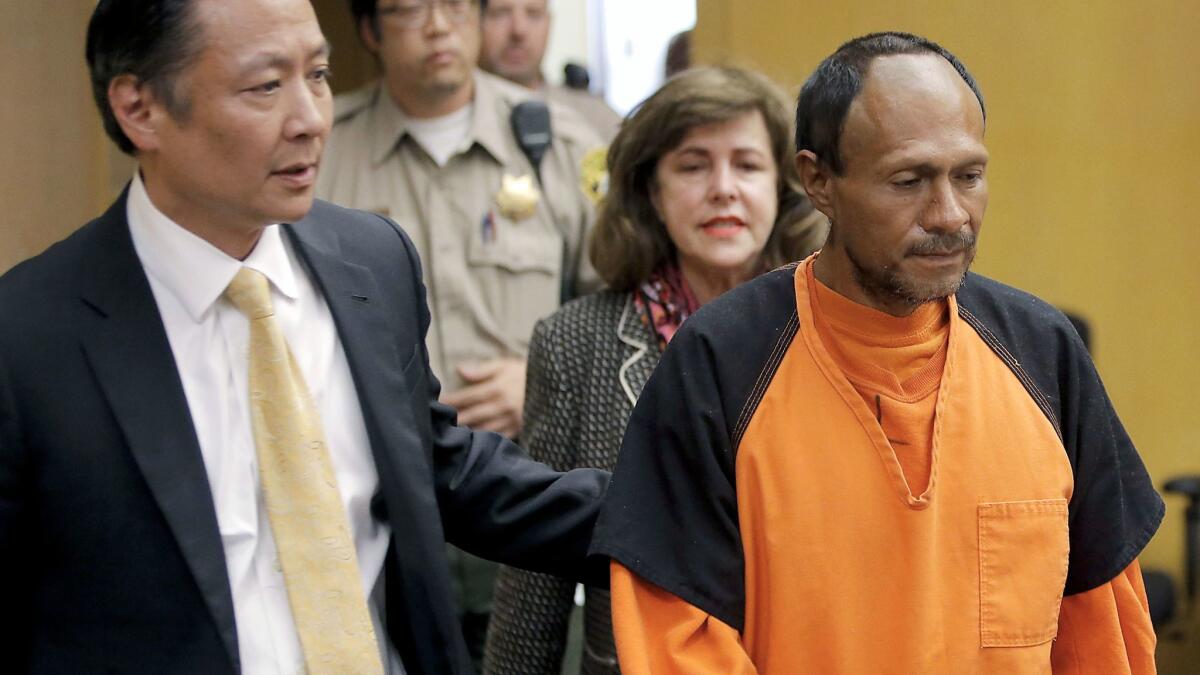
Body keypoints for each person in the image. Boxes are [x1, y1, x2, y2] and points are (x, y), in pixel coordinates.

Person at [0, 1, 608, 674]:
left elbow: (437, 468)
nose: (311, 119)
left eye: (317, 75)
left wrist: (672, 515)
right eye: (265, 86)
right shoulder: (31, 336)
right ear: (140, 110)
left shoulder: (371, 261)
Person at [589, 32, 1163, 673]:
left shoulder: (1041, 352)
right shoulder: (720, 364)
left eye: (969, 175)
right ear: (818, 180)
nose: (950, 214)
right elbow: (679, 642)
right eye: (908, 180)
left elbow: (1102, 634)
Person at [483, 66, 827, 675]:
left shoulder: (832, 328)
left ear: (784, 185)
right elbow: (535, 582)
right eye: (693, 166)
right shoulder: (574, 343)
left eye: (746, 165)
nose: (724, 189)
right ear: (651, 191)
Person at [319, 1, 607, 661]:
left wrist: (541, 379)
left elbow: (618, 309)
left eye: (454, 5)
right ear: (369, 31)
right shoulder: (327, 149)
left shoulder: (559, 141)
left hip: (530, 482)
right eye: (407, 9)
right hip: (385, 494)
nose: (437, 26)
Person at [478, 0, 622, 141]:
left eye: (534, 13)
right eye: (500, 13)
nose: (519, 30)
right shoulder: (459, 120)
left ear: (549, 22)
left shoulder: (597, 120)